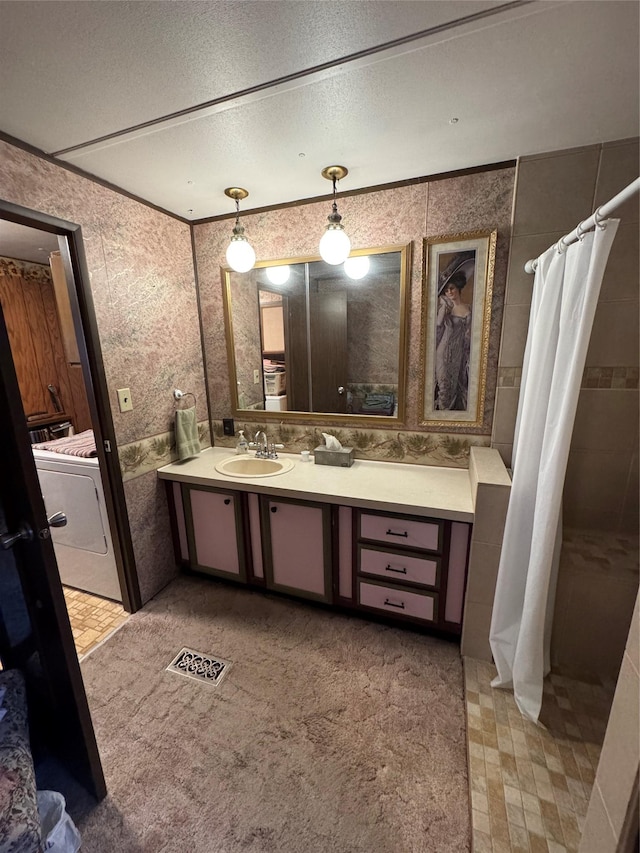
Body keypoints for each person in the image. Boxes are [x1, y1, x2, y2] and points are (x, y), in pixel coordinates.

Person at [435, 267, 472, 410]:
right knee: (444, 387)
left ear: (458, 288)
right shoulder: (446, 309)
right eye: (446, 290)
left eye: (452, 288)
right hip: (444, 351)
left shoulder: (469, 308)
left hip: (460, 353)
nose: (449, 292)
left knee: (458, 386)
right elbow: (438, 325)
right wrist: (443, 307)